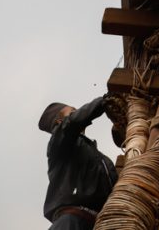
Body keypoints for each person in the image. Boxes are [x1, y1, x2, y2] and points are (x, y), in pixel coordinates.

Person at [38, 96, 119, 229]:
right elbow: (72, 123)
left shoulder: (95, 155)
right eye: (73, 111)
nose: (79, 112)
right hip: (72, 221)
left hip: (97, 224)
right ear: (60, 122)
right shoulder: (59, 144)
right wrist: (106, 99)